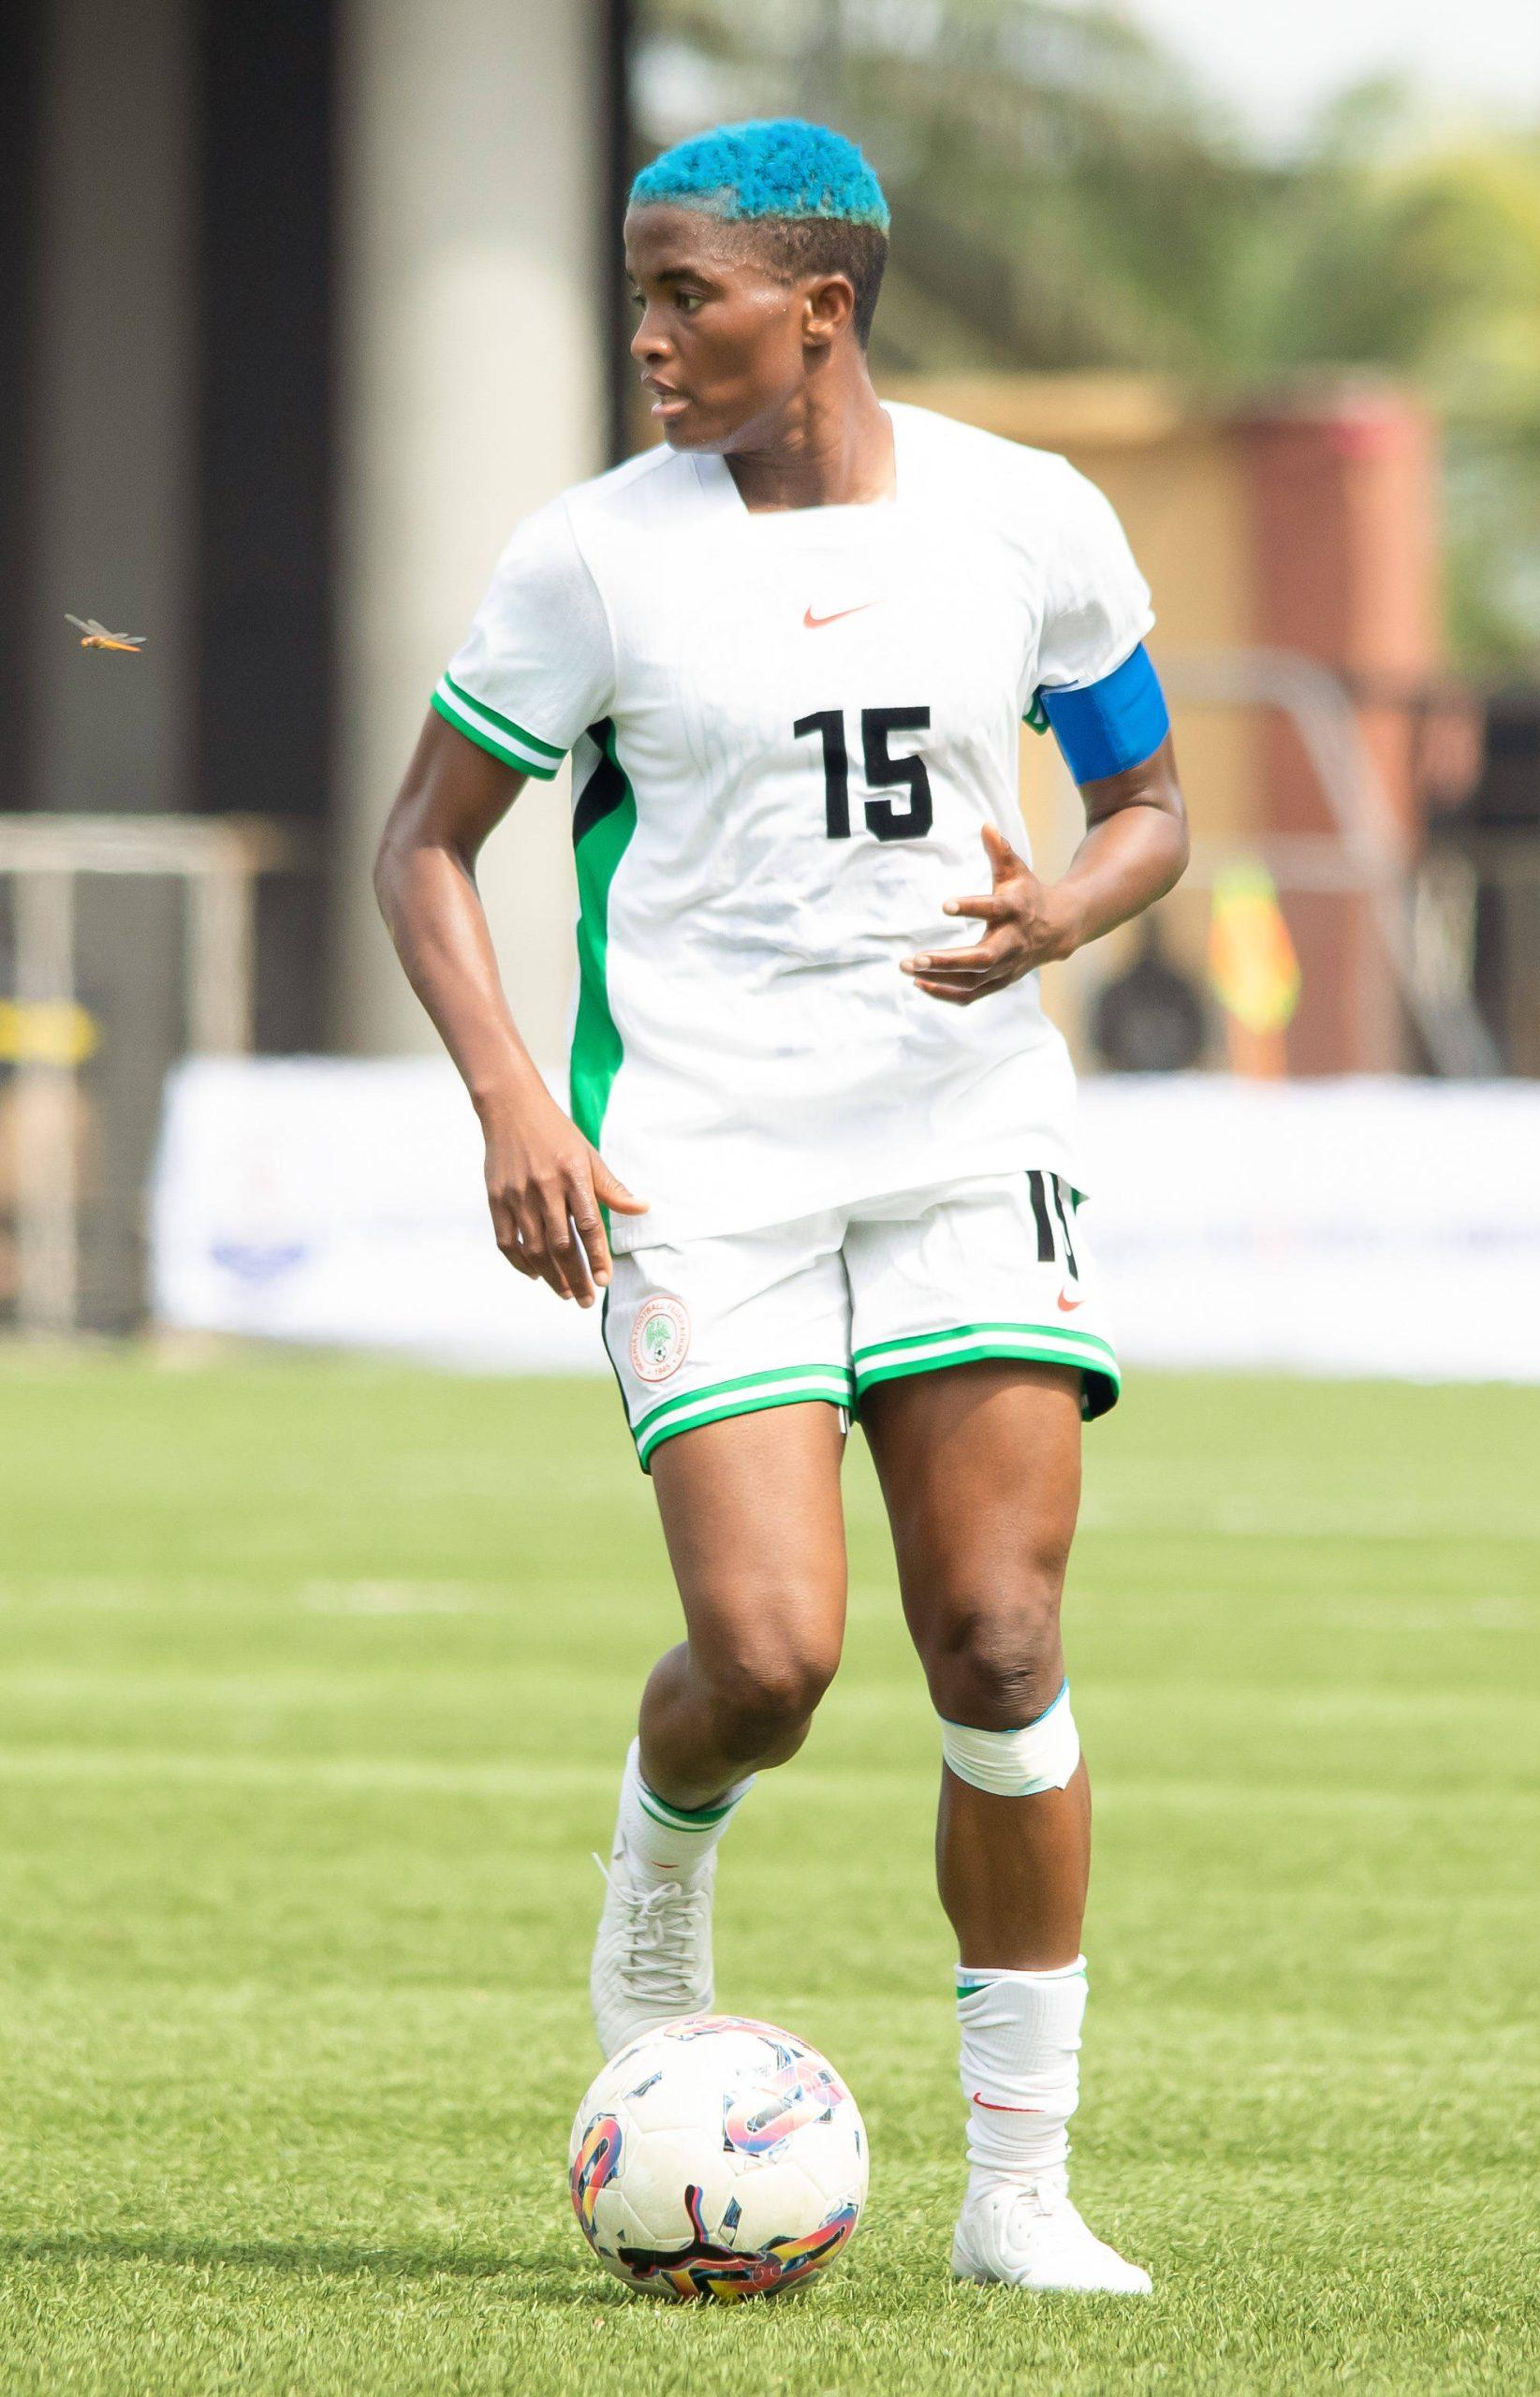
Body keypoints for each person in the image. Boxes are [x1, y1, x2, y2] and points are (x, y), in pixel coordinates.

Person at [374, 117, 1187, 2294]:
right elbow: (426, 843)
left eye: (684, 295)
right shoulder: (591, 557)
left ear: (819, 308)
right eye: (636, 294)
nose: (644, 336)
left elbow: (1149, 801)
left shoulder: (1030, 514)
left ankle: (1019, 2188)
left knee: (1000, 1642)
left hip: (960, 1130)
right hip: (701, 1156)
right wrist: (512, 1104)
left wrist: (1061, 916)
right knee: (765, 1658)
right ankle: (662, 1862)